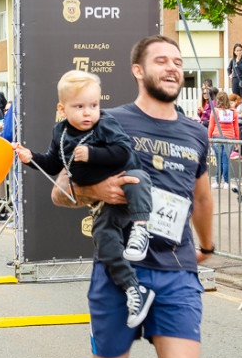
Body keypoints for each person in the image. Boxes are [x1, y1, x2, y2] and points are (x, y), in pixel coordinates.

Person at [51, 35, 214, 358]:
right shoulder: (107, 122)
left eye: (177, 61)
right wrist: (96, 191)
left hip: (176, 269)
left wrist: (207, 246)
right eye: (161, 61)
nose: (172, 67)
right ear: (138, 70)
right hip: (118, 271)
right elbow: (58, 192)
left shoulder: (196, 133)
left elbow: (202, 200)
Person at [15, 70, 156, 327]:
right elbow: (53, 162)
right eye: (79, 107)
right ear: (62, 108)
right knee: (104, 240)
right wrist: (30, 158)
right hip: (105, 203)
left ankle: (141, 229)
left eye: (93, 105)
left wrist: (92, 154)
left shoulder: (106, 122)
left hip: (129, 185)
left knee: (137, 178)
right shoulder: (60, 132)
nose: (88, 112)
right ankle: (134, 290)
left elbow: (123, 151)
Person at [207, 90, 238, 189]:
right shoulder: (233, 112)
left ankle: (217, 182)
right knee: (225, 160)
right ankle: (227, 182)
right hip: (229, 137)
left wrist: (209, 139)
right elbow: (236, 127)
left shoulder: (215, 111)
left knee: (219, 160)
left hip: (216, 137)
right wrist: (237, 140)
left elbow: (211, 126)